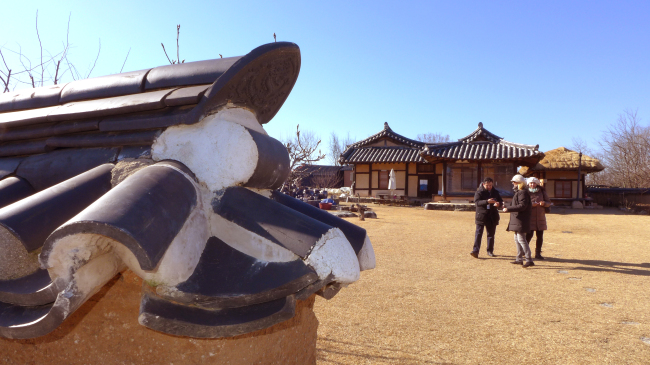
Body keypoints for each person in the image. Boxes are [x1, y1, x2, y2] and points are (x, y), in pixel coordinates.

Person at [503, 174, 534, 267]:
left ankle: (529, 260)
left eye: (514, 182)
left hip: (521, 219)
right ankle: (519, 258)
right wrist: (506, 206)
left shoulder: (522, 192)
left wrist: (508, 209)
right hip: (518, 219)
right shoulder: (520, 192)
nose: (513, 184)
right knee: (517, 239)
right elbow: (516, 204)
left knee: (521, 239)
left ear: (519, 183)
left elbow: (522, 206)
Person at [470, 177, 503, 258]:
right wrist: (487, 201)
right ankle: (475, 251)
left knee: (491, 235)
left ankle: (490, 251)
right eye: (487, 185)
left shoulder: (495, 192)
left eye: (491, 185)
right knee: (478, 234)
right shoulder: (479, 192)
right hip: (481, 216)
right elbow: (477, 202)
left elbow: (501, 201)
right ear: (484, 184)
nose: (489, 187)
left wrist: (499, 204)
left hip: (492, 216)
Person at [526, 177, 551, 260]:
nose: (532, 184)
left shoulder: (542, 191)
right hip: (530, 216)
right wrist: (531, 205)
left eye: (534, 183)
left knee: (540, 236)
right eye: (530, 183)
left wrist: (544, 203)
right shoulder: (525, 192)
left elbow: (548, 202)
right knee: (529, 235)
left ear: (537, 183)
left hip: (540, 216)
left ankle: (538, 253)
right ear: (528, 184)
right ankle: (525, 251)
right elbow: (523, 203)